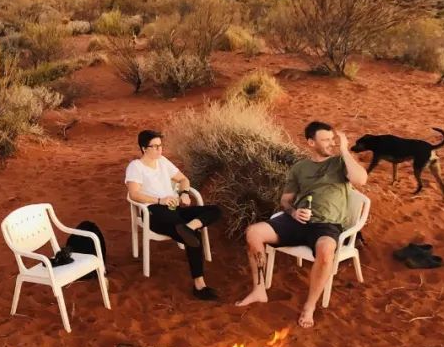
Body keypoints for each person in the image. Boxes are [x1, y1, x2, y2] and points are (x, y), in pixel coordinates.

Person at [235, 120, 368, 328]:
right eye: (325, 140)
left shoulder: (340, 163)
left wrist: (344, 149)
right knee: (254, 233)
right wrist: (294, 212)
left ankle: (310, 306)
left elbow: (361, 180)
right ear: (310, 142)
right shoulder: (300, 168)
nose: (330, 143)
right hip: (297, 221)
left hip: (327, 225)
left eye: (332, 139)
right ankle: (259, 289)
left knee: (326, 251)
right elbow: (286, 200)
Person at [125, 130, 223, 300]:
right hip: (154, 212)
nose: (159, 150)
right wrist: (159, 200)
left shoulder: (162, 161)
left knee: (215, 210)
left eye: (160, 146)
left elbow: (184, 179)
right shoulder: (136, 166)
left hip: (175, 210)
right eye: (154, 147)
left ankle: (189, 227)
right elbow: (134, 194)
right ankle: (199, 285)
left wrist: (184, 193)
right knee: (192, 236)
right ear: (143, 148)